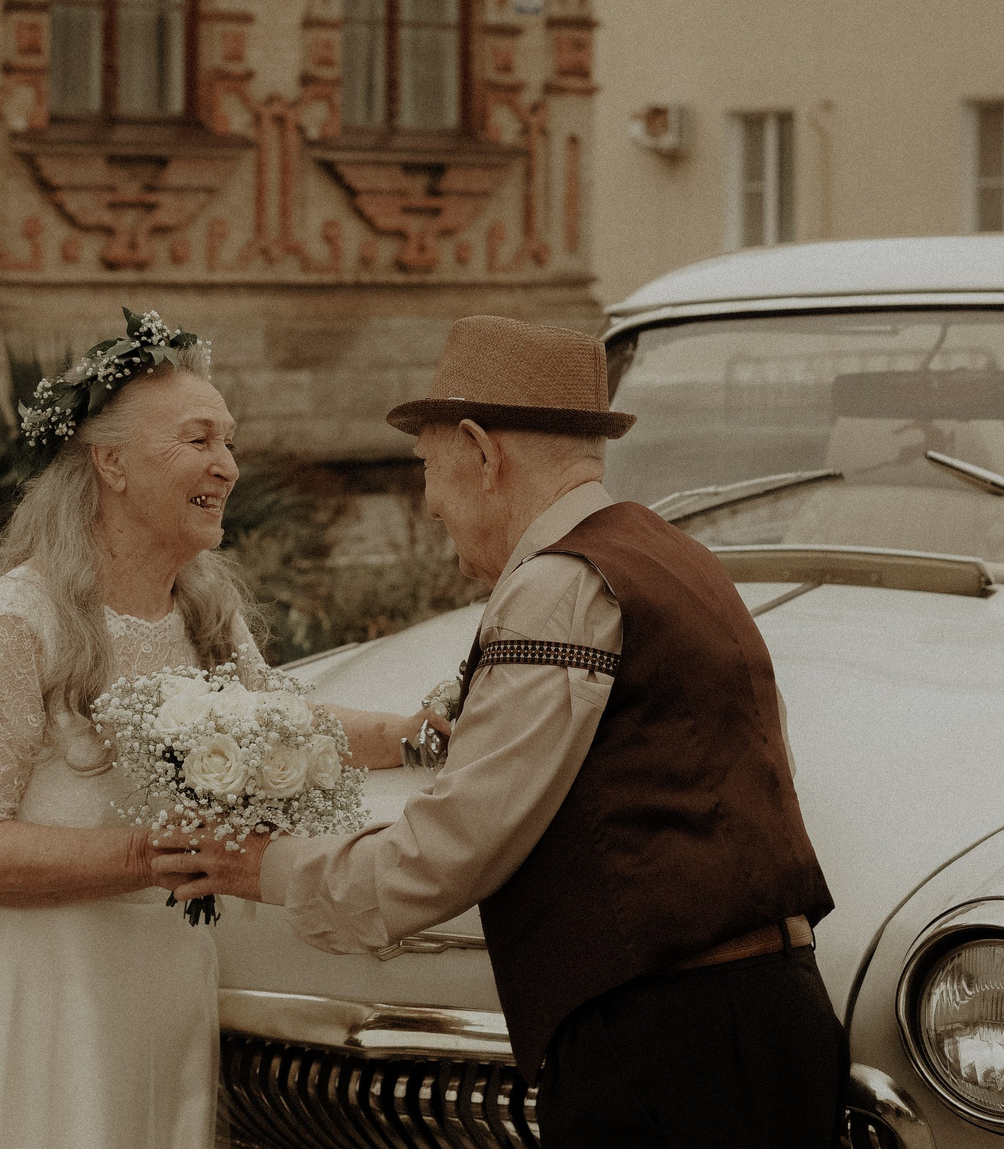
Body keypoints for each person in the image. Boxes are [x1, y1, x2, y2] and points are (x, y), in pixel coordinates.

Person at [159, 315, 845, 1149]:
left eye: (427, 467)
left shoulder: (558, 587)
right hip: (768, 1016)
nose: (429, 504)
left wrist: (260, 866)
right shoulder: (676, 558)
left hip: (665, 1046)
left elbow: (451, 849)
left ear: (483, 453)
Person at [0, 311, 441, 1149]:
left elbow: (284, 723)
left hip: (151, 976)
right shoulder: (14, 625)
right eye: (198, 439)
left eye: (229, 441)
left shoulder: (203, 608)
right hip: (23, 989)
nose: (227, 464)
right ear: (110, 463)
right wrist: (147, 856)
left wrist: (412, 732)